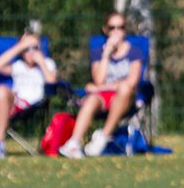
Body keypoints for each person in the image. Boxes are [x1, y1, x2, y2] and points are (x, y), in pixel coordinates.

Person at [60, 11, 144, 158]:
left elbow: (131, 82)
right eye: (112, 28)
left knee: (124, 88)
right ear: (105, 30)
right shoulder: (98, 52)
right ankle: (74, 143)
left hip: (125, 98)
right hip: (103, 97)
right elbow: (99, 79)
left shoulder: (134, 52)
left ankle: (104, 136)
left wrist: (100, 87)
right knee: (91, 99)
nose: (117, 32)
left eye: (121, 27)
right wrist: (106, 54)